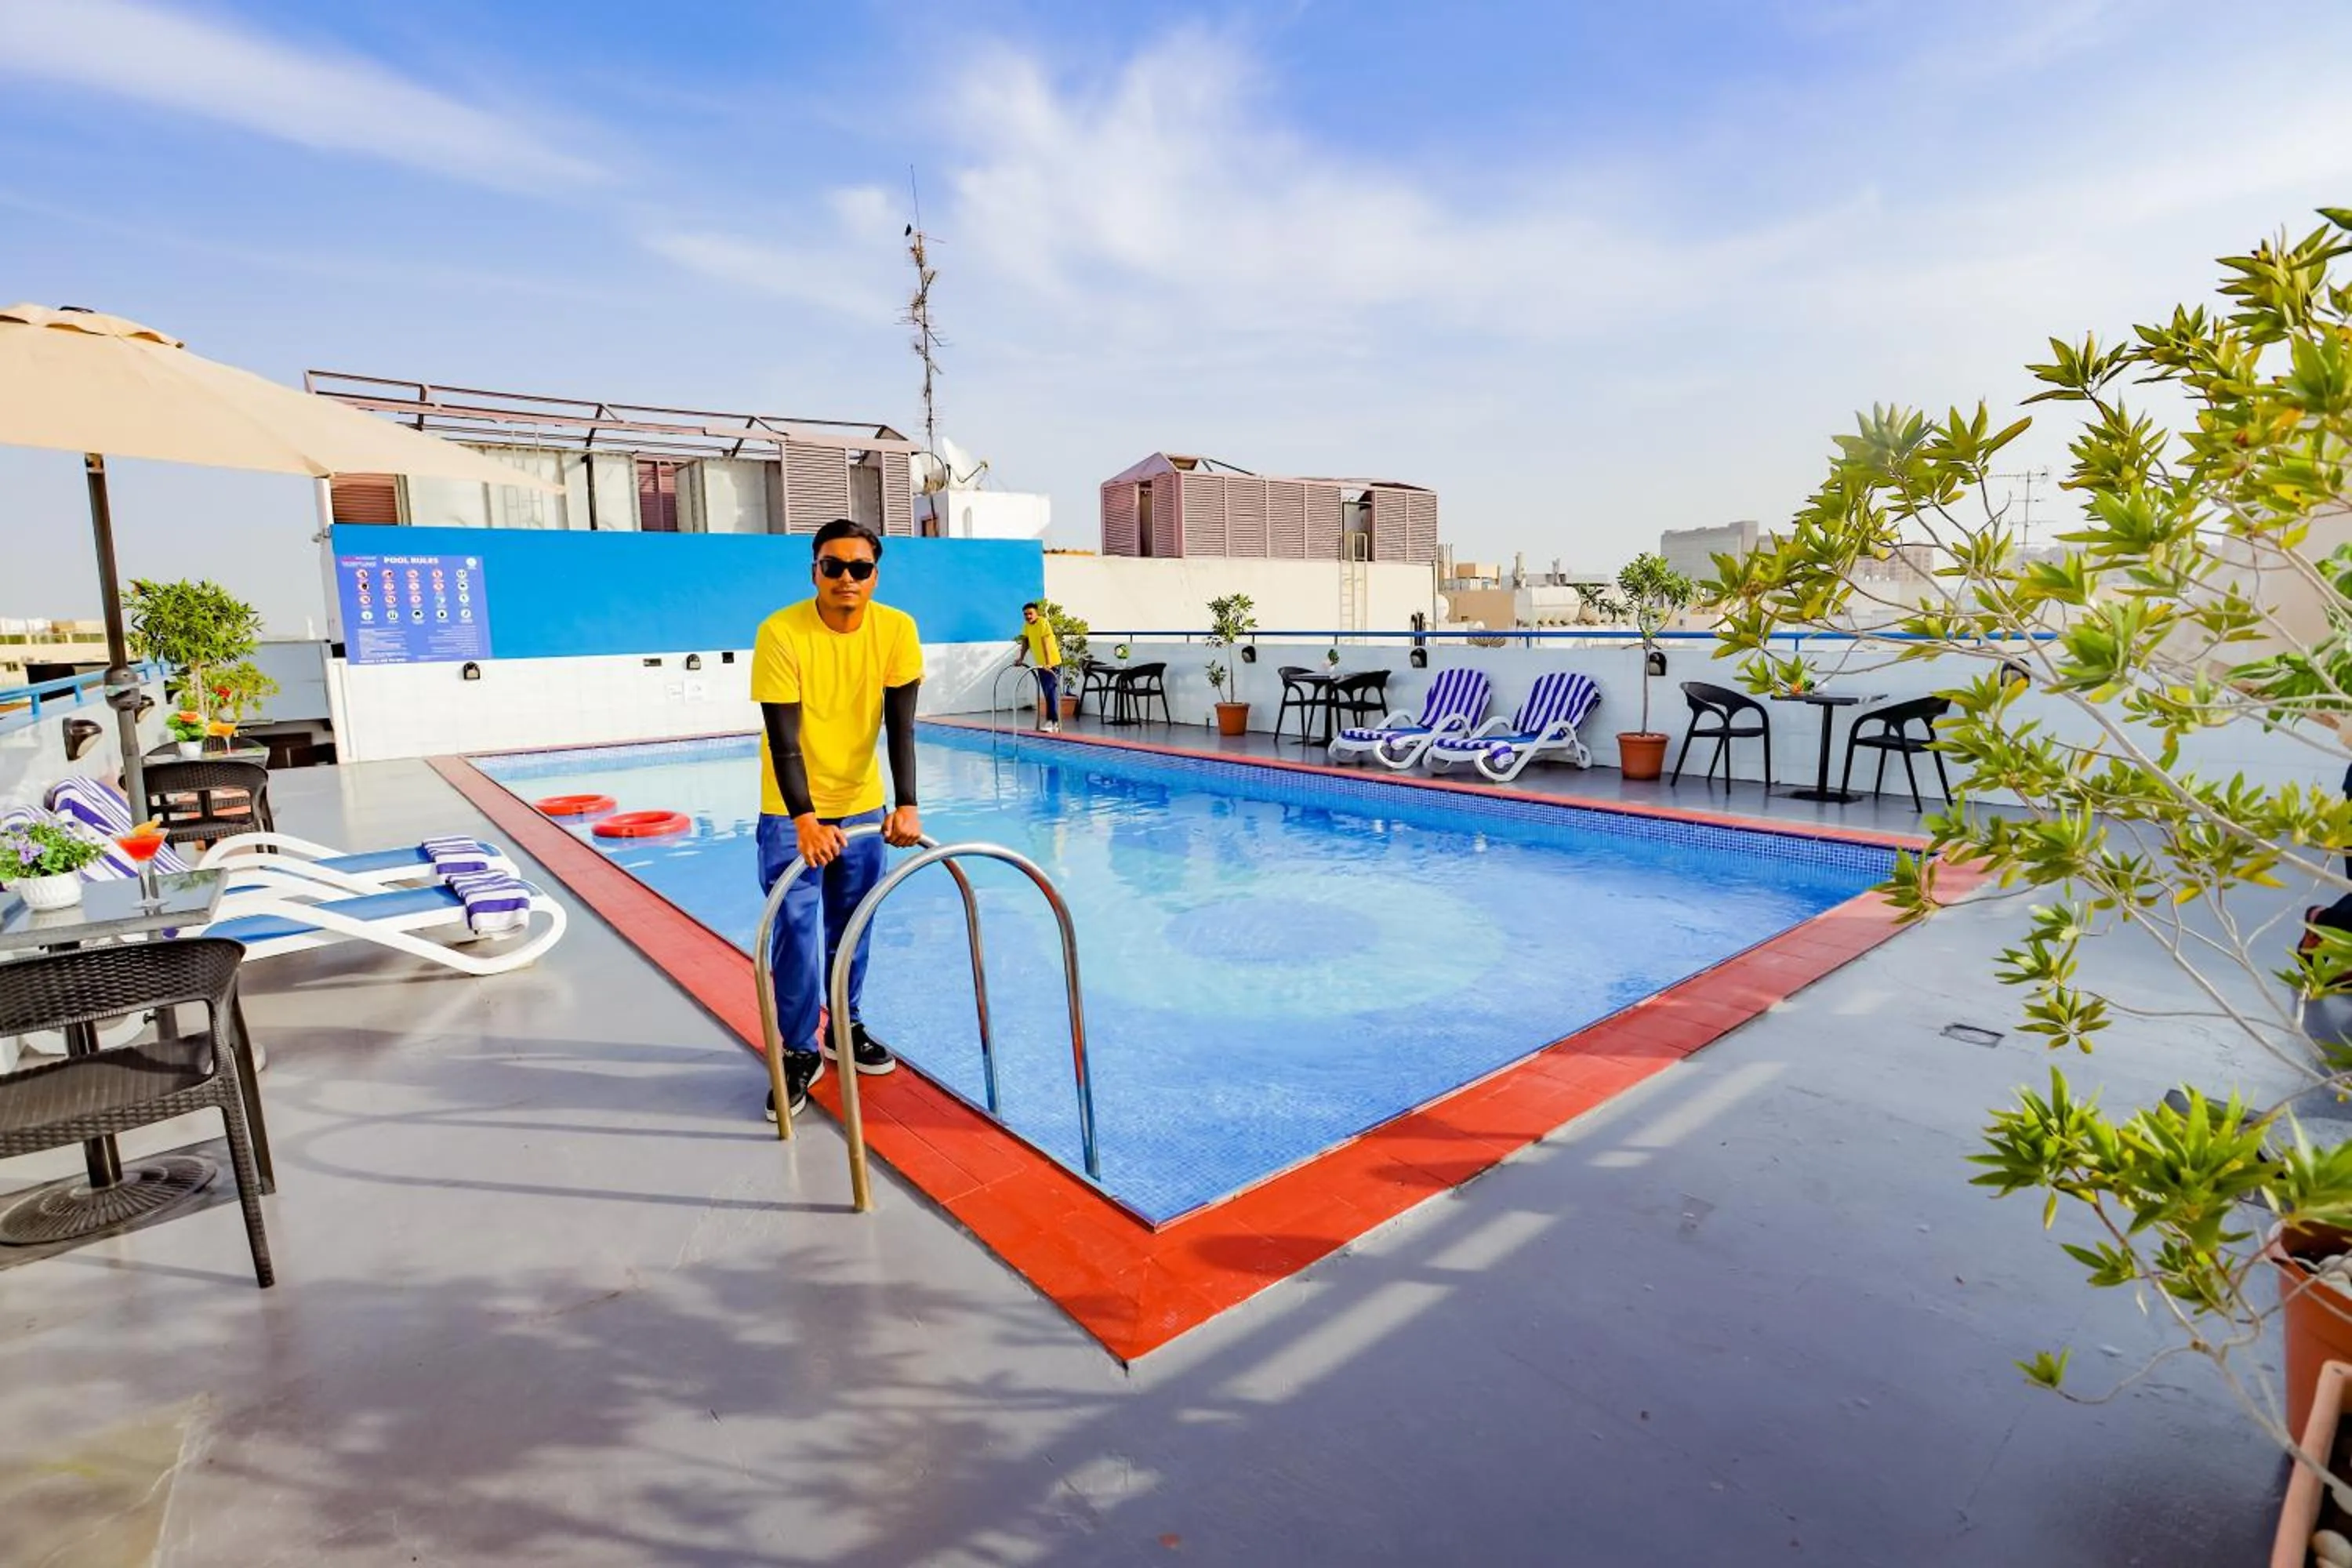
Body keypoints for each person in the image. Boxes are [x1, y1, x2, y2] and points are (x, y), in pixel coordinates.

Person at [753, 519, 924, 1120]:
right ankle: (799, 1048)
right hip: (791, 810)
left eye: (860, 567)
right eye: (833, 566)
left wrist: (907, 802)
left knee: (853, 924)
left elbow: (900, 726)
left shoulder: (897, 629)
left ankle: (843, 1025)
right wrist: (804, 818)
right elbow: (784, 740)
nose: (846, 577)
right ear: (815, 572)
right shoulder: (781, 632)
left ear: (875, 576)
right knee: (796, 932)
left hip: (861, 803)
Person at [1014, 601, 1062, 732]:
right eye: (1025, 614)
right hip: (1041, 664)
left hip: (1052, 663)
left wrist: (1048, 663)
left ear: (1037, 613)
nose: (1028, 616)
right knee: (1047, 693)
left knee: (1051, 692)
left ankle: (1054, 723)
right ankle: (1051, 722)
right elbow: (1025, 642)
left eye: (1030, 613)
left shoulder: (1042, 622)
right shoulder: (1027, 626)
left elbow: (1045, 643)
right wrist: (1021, 658)